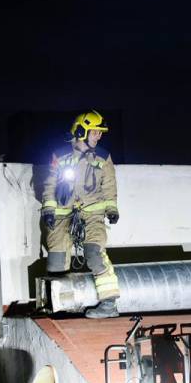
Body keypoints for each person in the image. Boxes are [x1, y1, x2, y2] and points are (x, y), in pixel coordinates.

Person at [40, 110, 120, 318]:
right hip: (62, 213)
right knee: (56, 258)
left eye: (100, 133)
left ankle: (109, 304)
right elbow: (49, 184)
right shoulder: (59, 155)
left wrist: (111, 209)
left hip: (92, 214)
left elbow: (109, 185)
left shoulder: (103, 157)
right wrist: (49, 210)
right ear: (82, 131)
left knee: (94, 254)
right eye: (95, 132)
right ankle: (59, 307)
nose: (98, 136)